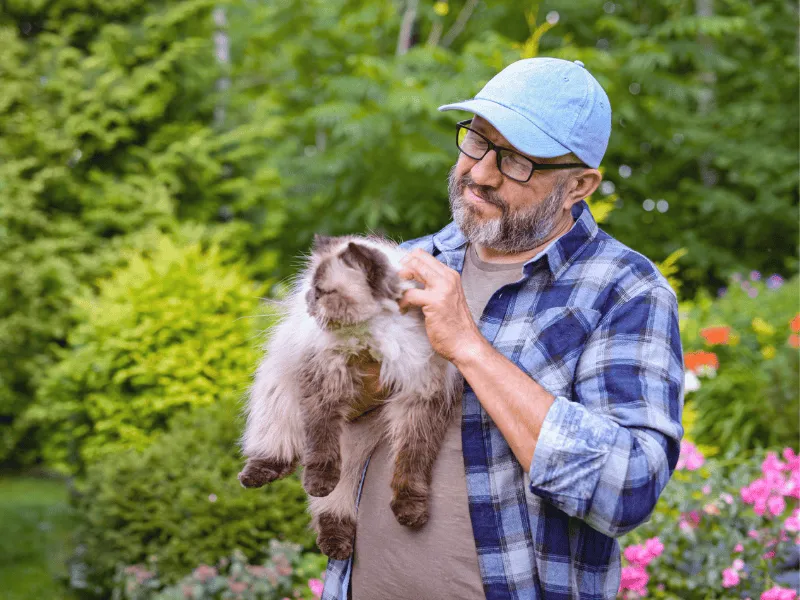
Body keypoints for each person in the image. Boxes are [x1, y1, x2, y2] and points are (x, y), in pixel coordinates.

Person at [320, 57, 684, 600]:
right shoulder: (407, 262)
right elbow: (322, 415)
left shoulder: (626, 291)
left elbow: (626, 491)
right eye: (478, 141)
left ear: (579, 184)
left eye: (516, 161)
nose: (482, 172)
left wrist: (468, 347)